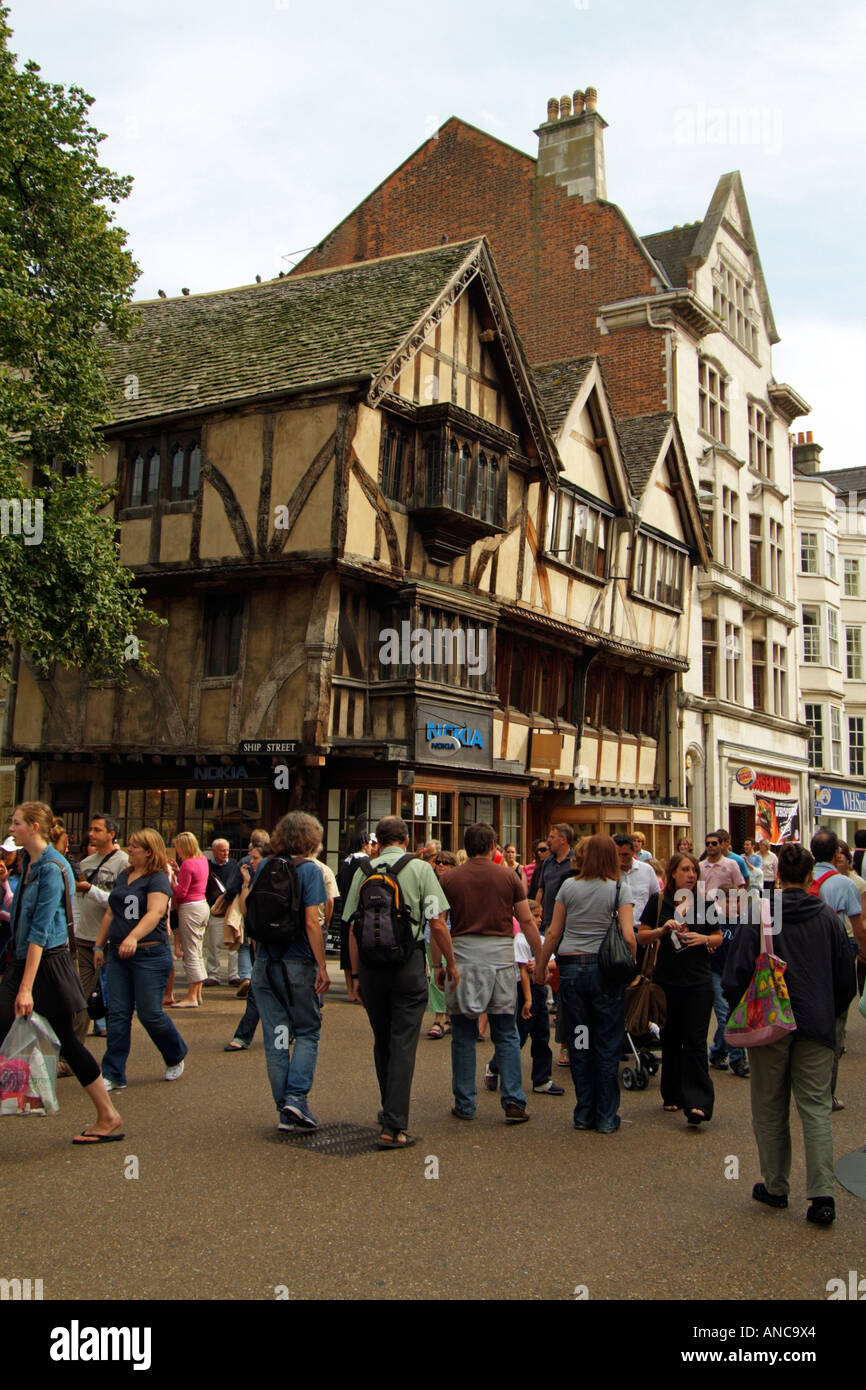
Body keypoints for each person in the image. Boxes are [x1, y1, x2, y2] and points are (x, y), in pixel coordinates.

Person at [723, 844, 856, 1225]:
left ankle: (776, 1185)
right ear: (811, 877)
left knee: (769, 1105)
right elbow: (845, 979)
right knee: (815, 1108)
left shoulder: (761, 913)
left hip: (769, 1022)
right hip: (816, 1022)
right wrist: (831, 1014)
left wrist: (741, 1009)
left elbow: (736, 975)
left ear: (778, 874)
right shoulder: (829, 919)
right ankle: (822, 1195)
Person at [0, 802, 123, 1143]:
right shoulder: (28, 862)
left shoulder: (52, 868)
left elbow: (41, 930)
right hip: (24, 961)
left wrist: (25, 988)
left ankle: (108, 1114)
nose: (11, 829)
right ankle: (107, 1113)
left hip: (46, 964)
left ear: (34, 828)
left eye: (16, 823)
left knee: (68, 1041)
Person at [343, 816, 458, 1148]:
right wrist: (447, 963)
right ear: (406, 840)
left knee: (383, 1039)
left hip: (370, 966)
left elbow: (352, 926)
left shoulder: (364, 871)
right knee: (404, 1041)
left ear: (378, 841)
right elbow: (437, 923)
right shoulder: (421, 869)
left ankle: (387, 1108)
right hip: (407, 963)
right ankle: (394, 1125)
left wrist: (353, 977)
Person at [440, 823, 543, 1124]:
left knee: (462, 1033)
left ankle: (465, 1102)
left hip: (462, 954)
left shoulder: (450, 879)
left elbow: (438, 923)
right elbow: (526, 921)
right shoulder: (509, 877)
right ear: (493, 846)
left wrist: (439, 964)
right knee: (506, 1032)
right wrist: (540, 955)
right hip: (500, 956)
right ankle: (513, 1099)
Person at [538, 834, 636, 1133]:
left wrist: (540, 967)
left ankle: (583, 1112)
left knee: (580, 1040)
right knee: (607, 1043)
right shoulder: (619, 887)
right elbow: (629, 936)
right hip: (605, 973)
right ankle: (606, 1116)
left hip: (571, 972)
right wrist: (630, 969)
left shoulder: (568, 886)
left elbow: (553, 933)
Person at [249, 812, 330, 1132]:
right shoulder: (310, 871)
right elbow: (313, 921)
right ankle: (296, 1099)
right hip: (297, 962)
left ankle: (284, 1108)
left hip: (265, 963)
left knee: (276, 1036)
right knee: (308, 1031)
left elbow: (248, 911)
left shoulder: (265, 867)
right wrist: (321, 964)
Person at [93, 828, 188, 1091]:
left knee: (150, 1014)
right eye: (130, 845)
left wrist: (133, 937)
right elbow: (112, 913)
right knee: (118, 1014)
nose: (129, 849)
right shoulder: (124, 876)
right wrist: (99, 946)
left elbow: (156, 912)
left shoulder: (157, 879)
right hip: (118, 956)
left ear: (149, 851)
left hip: (149, 954)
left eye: (135, 846)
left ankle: (175, 1052)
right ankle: (113, 1073)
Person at [637, 852, 722, 1123]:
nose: (691, 874)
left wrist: (704, 937)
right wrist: (662, 930)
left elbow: (718, 937)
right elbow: (641, 936)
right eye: (685, 869)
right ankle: (672, 1093)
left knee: (696, 1041)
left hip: (699, 980)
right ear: (672, 873)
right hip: (667, 980)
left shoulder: (704, 902)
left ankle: (698, 1102)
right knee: (671, 1039)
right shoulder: (659, 901)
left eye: (694, 870)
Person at [809, 831, 865, 1112]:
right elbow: (858, 929)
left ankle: (806, 1088)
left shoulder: (801, 879)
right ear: (835, 855)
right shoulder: (845, 884)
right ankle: (827, 1093)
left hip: (805, 958)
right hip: (836, 956)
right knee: (835, 1025)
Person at [484, 899, 562, 1098]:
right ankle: (494, 1066)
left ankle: (542, 1078)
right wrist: (528, 999)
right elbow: (523, 972)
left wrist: (540, 965)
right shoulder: (520, 940)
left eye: (539, 916)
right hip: (523, 991)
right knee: (518, 1035)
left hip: (540, 990)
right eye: (534, 916)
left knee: (542, 1035)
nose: (538, 920)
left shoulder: (541, 939)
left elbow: (552, 962)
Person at [74, 814, 129, 1040]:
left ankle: (115, 1044)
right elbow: (77, 901)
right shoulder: (85, 863)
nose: (92, 834)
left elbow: (121, 903)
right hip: (84, 937)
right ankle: (72, 1052)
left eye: (97, 830)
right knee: (81, 997)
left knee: (112, 995)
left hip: (109, 939)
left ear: (111, 834)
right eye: (91, 829)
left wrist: (91, 890)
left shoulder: (124, 863)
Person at [223, 841, 269, 1052]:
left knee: (276, 992)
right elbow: (244, 908)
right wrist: (246, 883)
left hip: (273, 947)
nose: (251, 861)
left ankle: (291, 1030)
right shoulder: (254, 880)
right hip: (257, 946)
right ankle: (243, 1036)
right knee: (257, 992)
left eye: (255, 858)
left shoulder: (276, 880)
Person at [170, 832, 211, 1008]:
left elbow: (181, 893)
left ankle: (191, 996)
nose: (176, 850)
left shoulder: (187, 863)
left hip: (190, 908)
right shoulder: (202, 860)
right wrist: (179, 873)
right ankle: (198, 992)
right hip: (202, 905)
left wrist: (172, 879)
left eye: (177, 846)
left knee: (191, 952)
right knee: (198, 949)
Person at [335, 830, 375, 999]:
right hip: (360, 911)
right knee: (359, 949)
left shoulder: (346, 862)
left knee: (346, 951)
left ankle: (350, 990)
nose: (373, 848)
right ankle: (360, 990)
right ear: (364, 845)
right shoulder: (365, 863)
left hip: (346, 910)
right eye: (371, 845)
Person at [202, 838, 243, 985]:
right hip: (215, 909)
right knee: (214, 943)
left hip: (231, 908)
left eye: (227, 850)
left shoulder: (234, 865)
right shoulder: (207, 866)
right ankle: (213, 975)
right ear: (214, 852)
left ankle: (234, 974)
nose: (226, 853)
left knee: (234, 943)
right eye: (222, 850)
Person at [426, 850, 456, 1038]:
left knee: (448, 974)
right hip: (430, 935)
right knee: (436, 975)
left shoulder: (456, 886)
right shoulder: (430, 885)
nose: (441, 865)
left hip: (451, 935)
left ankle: (448, 1017)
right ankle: (439, 1017)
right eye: (438, 862)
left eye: (446, 862)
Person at [533, 824, 576, 930]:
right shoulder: (548, 862)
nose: (548, 841)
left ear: (563, 840)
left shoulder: (576, 861)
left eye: (552, 837)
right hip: (550, 921)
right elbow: (541, 890)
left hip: (570, 923)